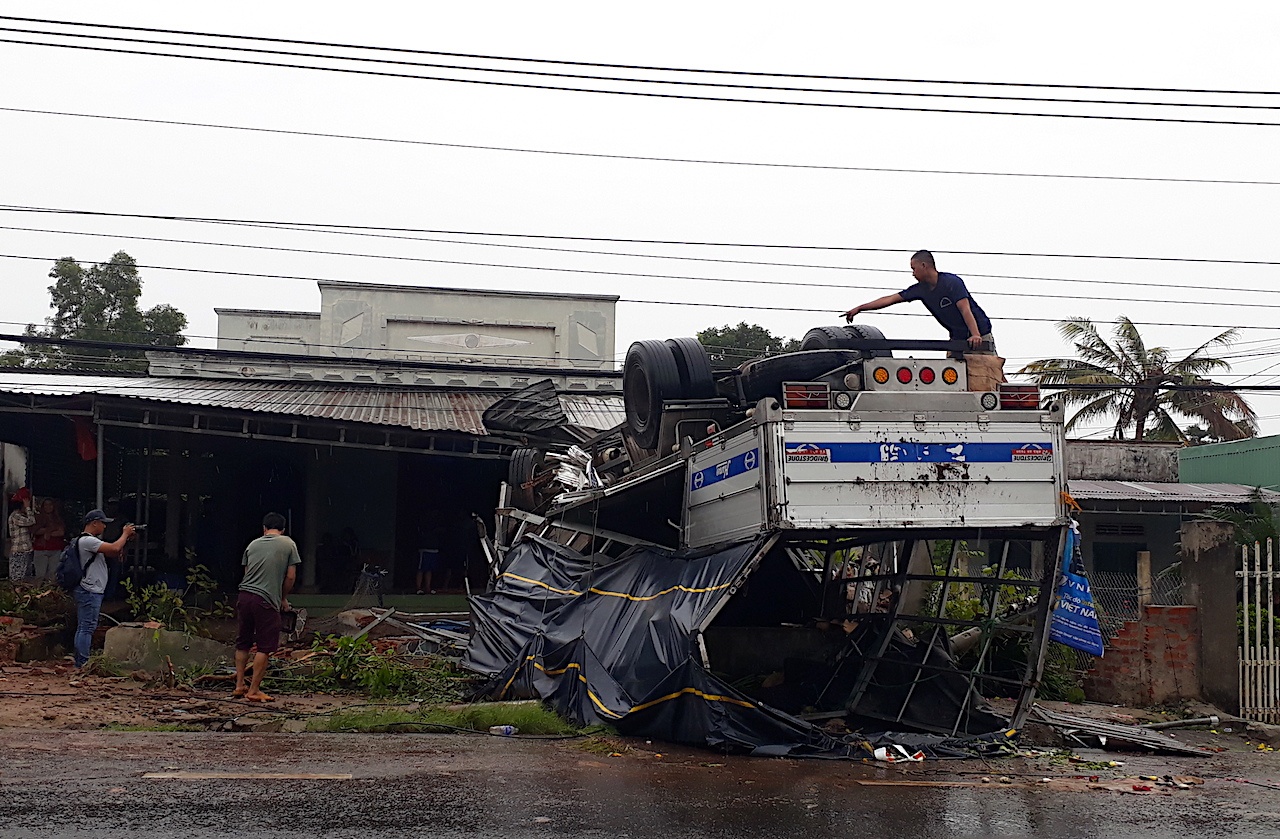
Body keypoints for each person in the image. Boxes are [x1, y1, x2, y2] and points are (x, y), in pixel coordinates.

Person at [844, 250, 995, 355]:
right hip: (958, 338)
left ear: (924, 265)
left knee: (989, 377)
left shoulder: (951, 282)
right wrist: (860, 308)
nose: (913, 273)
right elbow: (890, 299)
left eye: (914, 269)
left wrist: (976, 334)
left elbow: (965, 310)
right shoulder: (920, 290)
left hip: (980, 333)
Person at [233, 511, 300, 702]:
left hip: (244, 596)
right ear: (283, 529)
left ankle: (239, 685)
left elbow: (247, 573)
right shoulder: (288, 544)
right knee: (264, 646)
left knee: (243, 641)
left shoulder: (252, 544)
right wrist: (282, 598)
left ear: (264, 529)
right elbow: (290, 577)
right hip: (266, 600)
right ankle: (253, 690)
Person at [71, 510, 136, 667]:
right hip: (89, 589)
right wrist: (125, 534)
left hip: (91, 589)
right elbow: (114, 548)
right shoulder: (88, 541)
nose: (105, 526)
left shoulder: (89, 541)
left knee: (85, 627)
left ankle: (81, 661)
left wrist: (125, 540)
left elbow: (112, 552)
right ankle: (83, 663)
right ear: (94, 523)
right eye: (102, 523)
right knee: (86, 628)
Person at [31, 498, 66, 582]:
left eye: (50, 504)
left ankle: (51, 593)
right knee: (40, 575)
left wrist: (48, 532)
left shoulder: (57, 519)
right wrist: (50, 530)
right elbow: (35, 531)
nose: (48, 507)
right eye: (46, 505)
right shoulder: (37, 518)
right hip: (40, 549)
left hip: (55, 549)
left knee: (53, 575)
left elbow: (61, 532)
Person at [7, 491, 35, 582]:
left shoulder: (20, 515)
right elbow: (31, 521)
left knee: (26, 578)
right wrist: (28, 508)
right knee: (18, 579)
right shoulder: (16, 516)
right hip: (19, 551)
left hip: (25, 551)